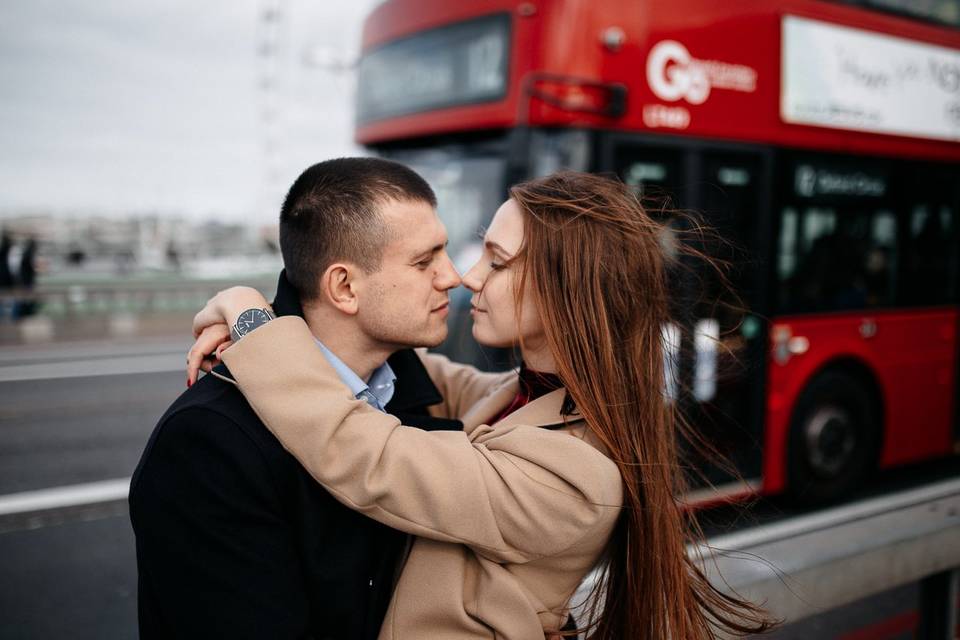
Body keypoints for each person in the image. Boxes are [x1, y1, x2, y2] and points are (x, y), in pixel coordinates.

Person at [189, 172, 772, 638]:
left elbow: (364, 452)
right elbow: (399, 371)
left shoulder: (574, 477)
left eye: (496, 260)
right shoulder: (526, 396)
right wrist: (333, 326)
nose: (467, 276)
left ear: (564, 287)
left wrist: (253, 318)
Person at [129, 158, 476, 639]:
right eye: (425, 261)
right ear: (344, 287)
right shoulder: (207, 444)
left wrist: (250, 316)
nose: (453, 276)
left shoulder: (406, 391)